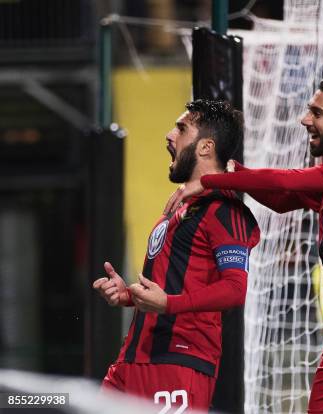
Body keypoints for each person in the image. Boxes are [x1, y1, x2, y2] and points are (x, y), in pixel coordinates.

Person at [165, 75, 323, 414]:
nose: (305, 120)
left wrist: (210, 180)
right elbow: (281, 198)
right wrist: (231, 172)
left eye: (317, 113)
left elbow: (286, 183)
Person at [92, 100, 260, 412]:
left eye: (181, 128)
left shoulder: (224, 210)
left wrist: (168, 304)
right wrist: (128, 295)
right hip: (132, 359)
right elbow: (173, 281)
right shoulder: (178, 208)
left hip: (178, 362)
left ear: (206, 146)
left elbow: (236, 289)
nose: (170, 135)